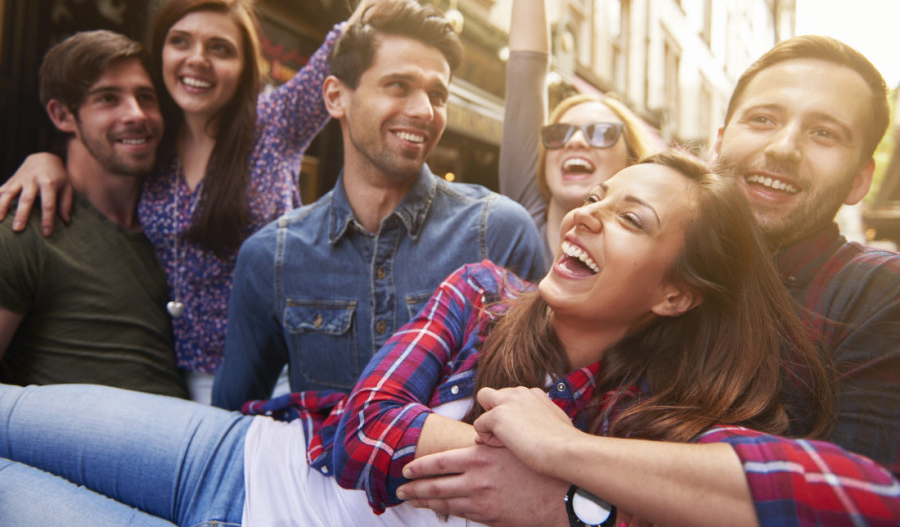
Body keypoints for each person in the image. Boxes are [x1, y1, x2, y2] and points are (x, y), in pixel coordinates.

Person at [2, 150, 869, 527]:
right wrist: (540, 453)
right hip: (236, 455)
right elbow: (363, 429)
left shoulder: (660, 425)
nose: (591, 212)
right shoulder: (486, 290)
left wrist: (576, 479)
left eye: (631, 217)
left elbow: (859, 501)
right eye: (598, 196)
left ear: (678, 293)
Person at [398, 35, 900, 526]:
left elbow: (862, 498)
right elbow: (360, 427)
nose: (784, 147)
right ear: (721, 142)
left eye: (825, 133)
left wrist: (569, 490)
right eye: (763, 118)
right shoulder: (544, 303)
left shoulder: (878, 292)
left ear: (860, 179)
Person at [0, 0, 434, 402]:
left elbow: (360, 28)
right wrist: (44, 161)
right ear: (160, 54)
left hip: (284, 371)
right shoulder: (150, 140)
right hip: (182, 382)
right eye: (180, 42)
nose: (197, 60)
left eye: (220, 48)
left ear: (245, 65)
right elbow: (91, 158)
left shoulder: (274, 123)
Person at [210, 0, 545, 408]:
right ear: (335, 97)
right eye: (398, 86)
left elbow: (543, 398)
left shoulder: (499, 232)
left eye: (437, 94)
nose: (424, 110)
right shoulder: (271, 257)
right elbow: (232, 417)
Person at [0, 30, 187, 398]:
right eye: (108, 99)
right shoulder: (22, 228)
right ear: (62, 115)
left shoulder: (169, 228)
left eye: (145, 97)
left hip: (192, 444)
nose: (136, 114)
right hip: (67, 451)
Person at [499, 0, 660, 269]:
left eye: (600, 132)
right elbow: (526, 74)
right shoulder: (524, 220)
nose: (573, 142)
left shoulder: (643, 264)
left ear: (632, 164)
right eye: (558, 133)